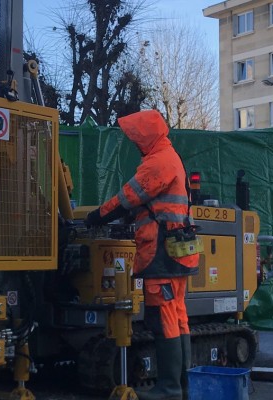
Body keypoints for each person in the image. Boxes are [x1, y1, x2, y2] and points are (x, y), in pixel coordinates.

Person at [85, 110, 199, 400]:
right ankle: (182, 386)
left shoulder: (156, 163)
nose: (134, 142)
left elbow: (126, 199)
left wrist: (96, 217)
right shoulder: (170, 157)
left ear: (145, 137)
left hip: (160, 252)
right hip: (176, 252)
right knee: (177, 317)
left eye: (135, 137)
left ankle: (169, 388)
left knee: (162, 317)